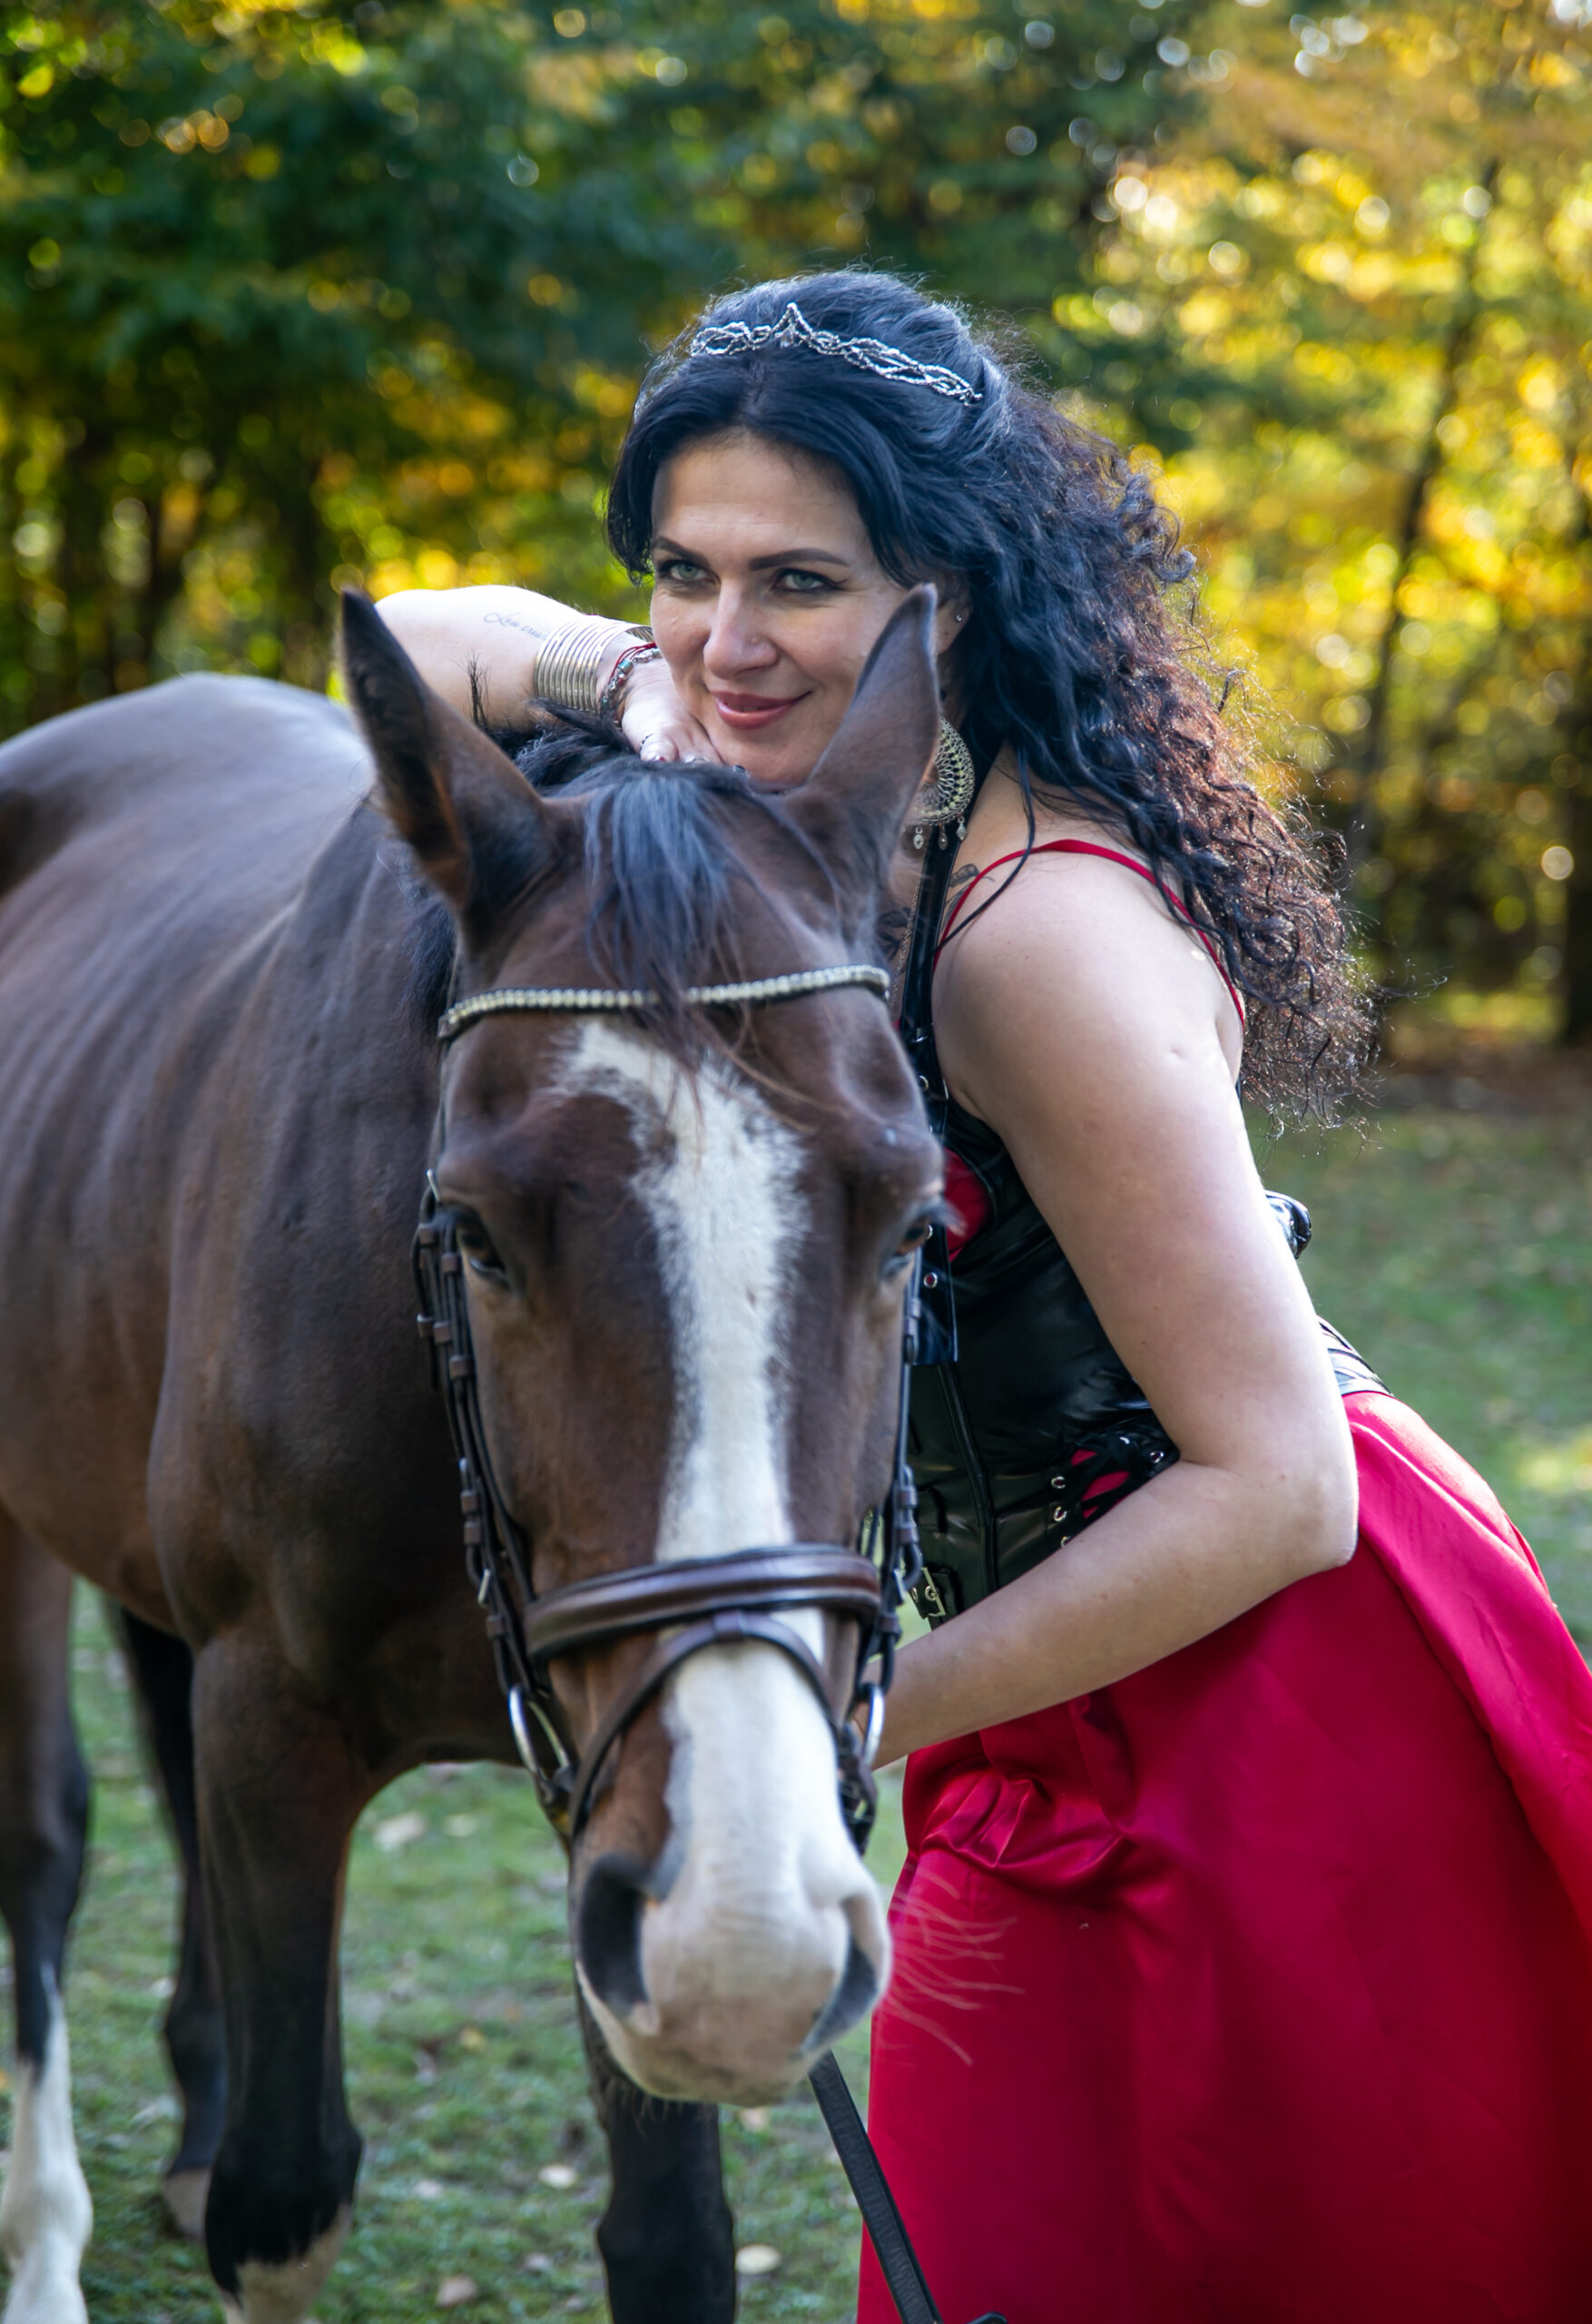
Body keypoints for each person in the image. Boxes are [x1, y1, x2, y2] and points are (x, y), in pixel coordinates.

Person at [381, 273, 1592, 2323]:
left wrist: (820, 1712)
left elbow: (1280, 1481)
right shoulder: (838, 828)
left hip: (1269, 1703)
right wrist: (625, 672)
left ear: (945, 602)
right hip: (1063, 1672)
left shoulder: (1031, 939)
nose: (728, 637)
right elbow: (399, 652)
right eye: (684, 569)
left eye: (801, 582)